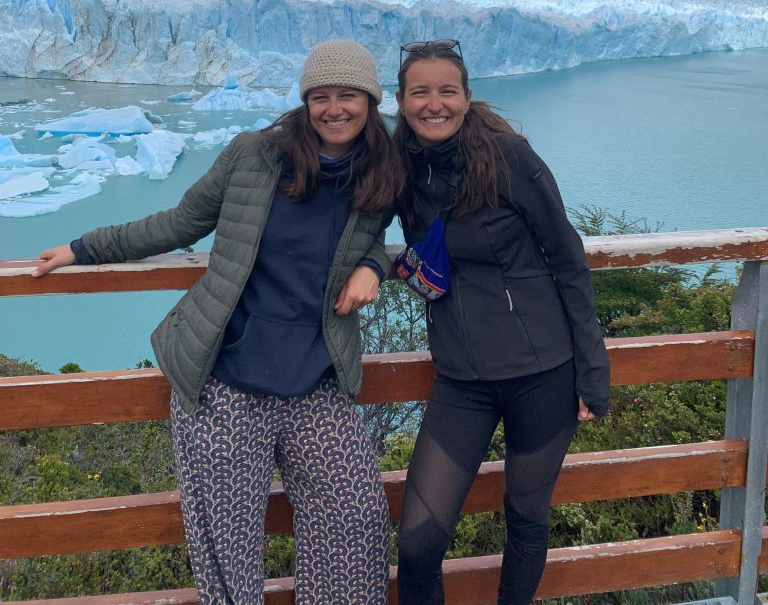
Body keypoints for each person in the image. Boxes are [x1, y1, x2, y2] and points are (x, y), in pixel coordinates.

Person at [34, 39, 402, 605]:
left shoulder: (383, 170)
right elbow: (181, 223)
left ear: (370, 101)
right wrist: (84, 247)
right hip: (224, 377)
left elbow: (389, 239)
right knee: (226, 548)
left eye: (348, 95)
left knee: (354, 522)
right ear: (305, 101)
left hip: (317, 378)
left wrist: (375, 265)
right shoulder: (254, 155)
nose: (335, 108)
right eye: (321, 96)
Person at [392, 40, 610, 605]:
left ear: (466, 97)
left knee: (526, 519)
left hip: (543, 371)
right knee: (418, 541)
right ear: (401, 100)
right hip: (462, 381)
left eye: (447, 90)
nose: (433, 103)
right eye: (421, 91)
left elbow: (567, 257)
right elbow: (354, 221)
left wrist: (592, 370)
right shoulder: (399, 165)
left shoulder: (509, 156)